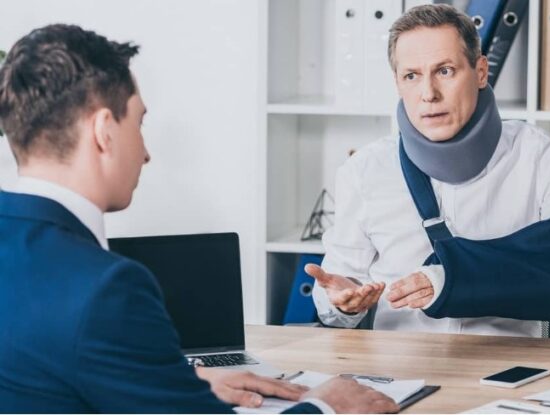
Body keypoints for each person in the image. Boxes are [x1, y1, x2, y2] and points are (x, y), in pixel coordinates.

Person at [0, 24, 400, 414]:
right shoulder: (107, 289)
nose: (145, 153)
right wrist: (324, 406)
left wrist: (177, 380)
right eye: (139, 123)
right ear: (104, 131)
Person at [308, 4, 550, 337]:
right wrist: (344, 304)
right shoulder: (364, 170)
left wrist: (449, 279)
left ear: (480, 72)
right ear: (398, 83)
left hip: (509, 362)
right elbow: (337, 296)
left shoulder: (535, 154)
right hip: (400, 363)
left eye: (445, 71)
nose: (428, 94)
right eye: (411, 76)